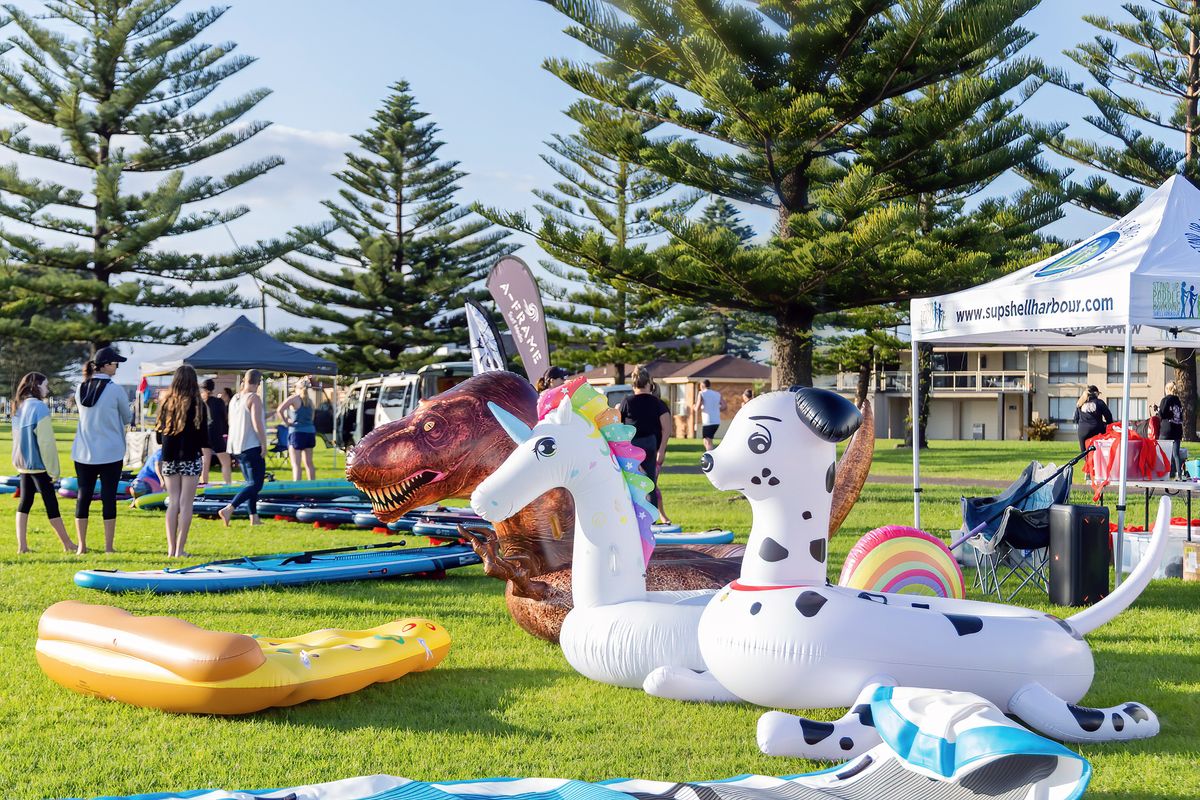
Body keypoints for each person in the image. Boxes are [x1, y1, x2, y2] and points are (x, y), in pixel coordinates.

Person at [72, 346, 131, 554]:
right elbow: (128, 418)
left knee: (83, 497)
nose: (117, 367)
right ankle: (108, 547)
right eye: (115, 364)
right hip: (111, 452)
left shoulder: (80, 388)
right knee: (108, 497)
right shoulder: (115, 390)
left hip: (83, 451)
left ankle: (81, 546)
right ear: (105, 365)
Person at [11, 372, 76, 553]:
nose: (47, 389)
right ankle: (68, 544)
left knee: (25, 503)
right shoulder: (39, 408)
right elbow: (46, 443)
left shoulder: (20, 406)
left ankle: (22, 547)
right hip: (39, 466)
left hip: (23, 464)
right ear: (36, 386)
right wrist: (54, 471)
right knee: (51, 504)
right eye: (45, 385)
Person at [155, 366, 207, 557]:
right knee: (186, 503)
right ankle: (180, 549)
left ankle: (170, 549)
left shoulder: (166, 402)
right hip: (190, 457)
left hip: (169, 457)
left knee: (173, 502)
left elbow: (159, 437)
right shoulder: (198, 404)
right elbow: (204, 438)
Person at [619, 366, 673, 525]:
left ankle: (631, 518)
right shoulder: (657, 403)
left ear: (633, 385)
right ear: (649, 384)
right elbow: (666, 428)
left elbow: (618, 426)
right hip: (650, 444)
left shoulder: (627, 401)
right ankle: (652, 520)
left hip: (631, 445)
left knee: (630, 483)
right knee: (650, 484)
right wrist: (661, 450)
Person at [218, 369, 267, 527]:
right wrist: (264, 443)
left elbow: (231, 422)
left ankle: (254, 517)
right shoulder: (254, 398)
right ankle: (229, 508)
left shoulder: (235, 398)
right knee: (256, 484)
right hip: (251, 444)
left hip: (236, 445)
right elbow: (257, 423)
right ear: (258, 383)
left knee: (250, 483)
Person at [276, 376, 317, 481]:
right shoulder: (310, 401)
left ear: (296, 387)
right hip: (310, 432)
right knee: (309, 463)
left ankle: (297, 492)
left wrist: (287, 422)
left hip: (297, 433)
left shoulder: (294, 398)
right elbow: (312, 418)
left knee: (296, 465)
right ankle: (313, 488)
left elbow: (279, 410)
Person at [200, 378, 231, 485]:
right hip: (215, 433)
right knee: (226, 461)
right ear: (213, 389)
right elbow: (224, 418)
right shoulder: (218, 402)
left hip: (204, 434)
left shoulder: (200, 402)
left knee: (205, 460)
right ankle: (228, 483)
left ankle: (204, 482)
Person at [1072, 385, 1113, 453]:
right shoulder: (1099, 402)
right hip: (1097, 428)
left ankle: (1087, 461)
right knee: (1098, 451)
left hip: (1083, 430)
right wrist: (1109, 426)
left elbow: (1076, 418)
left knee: (1084, 453)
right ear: (1096, 393)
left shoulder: (1080, 403)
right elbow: (1108, 416)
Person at [1158, 382, 1185, 479]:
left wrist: (1157, 409)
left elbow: (1161, 415)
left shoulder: (1165, 399)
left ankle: (1163, 474)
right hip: (1177, 429)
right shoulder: (1178, 401)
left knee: (1162, 452)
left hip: (1167, 429)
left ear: (1167, 389)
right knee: (1176, 454)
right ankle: (1179, 475)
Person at [692, 378, 727, 451]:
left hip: (708, 421)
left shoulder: (701, 393)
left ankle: (710, 458)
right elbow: (724, 406)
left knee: (707, 441)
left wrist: (694, 407)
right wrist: (715, 409)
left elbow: (697, 408)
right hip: (716, 421)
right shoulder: (717, 394)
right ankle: (711, 455)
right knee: (708, 440)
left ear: (702, 385)